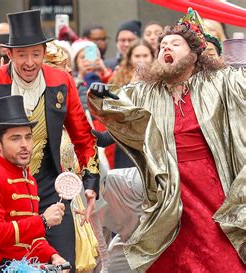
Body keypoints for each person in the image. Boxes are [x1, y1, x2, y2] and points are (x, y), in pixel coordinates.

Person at [87, 8, 245, 272]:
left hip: (211, 187)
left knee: (218, 255)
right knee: (170, 257)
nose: (165, 47)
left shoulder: (218, 82)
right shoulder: (146, 91)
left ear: (194, 54)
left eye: (175, 43)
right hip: (167, 189)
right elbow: (119, 108)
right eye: (162, 45)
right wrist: (102, 97)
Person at [0, 10, 99, 272]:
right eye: (22, 55)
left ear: (44, 51)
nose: (30, 62)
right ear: (9, 53)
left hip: (51, 188)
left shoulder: (61, 81)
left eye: (36, 54)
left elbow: (83, 136)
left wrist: (91, 182)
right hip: (1, 188)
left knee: (63, 264)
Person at [0, 95, 67, 272]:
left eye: (28, 137)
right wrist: (42, 220)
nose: (25, 145)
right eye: (15, 138)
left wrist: (53, 256)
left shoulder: (29, 179)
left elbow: (30, 237)